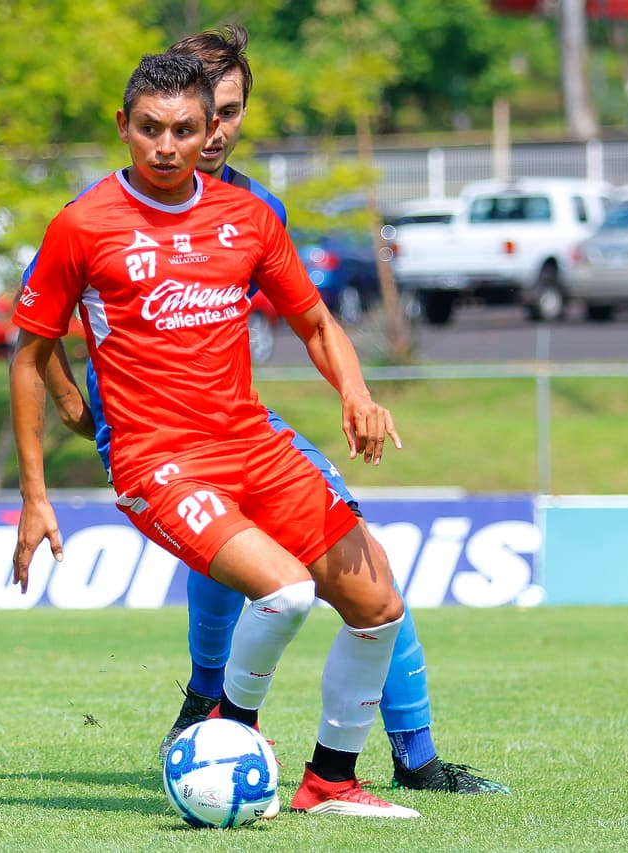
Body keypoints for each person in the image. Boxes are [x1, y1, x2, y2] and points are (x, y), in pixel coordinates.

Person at [35, 25, 508, 795]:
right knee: (255, 571)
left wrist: (355, 391)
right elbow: (36, 327)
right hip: (154, 445)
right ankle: (221, 710)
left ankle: (403, 752)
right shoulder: (98, 213)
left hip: (238, 428)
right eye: (199, 113)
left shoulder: (256, 207)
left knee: (359, 563)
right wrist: (72, 404)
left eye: (228, 112)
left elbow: (311, 318)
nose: (212, 131)